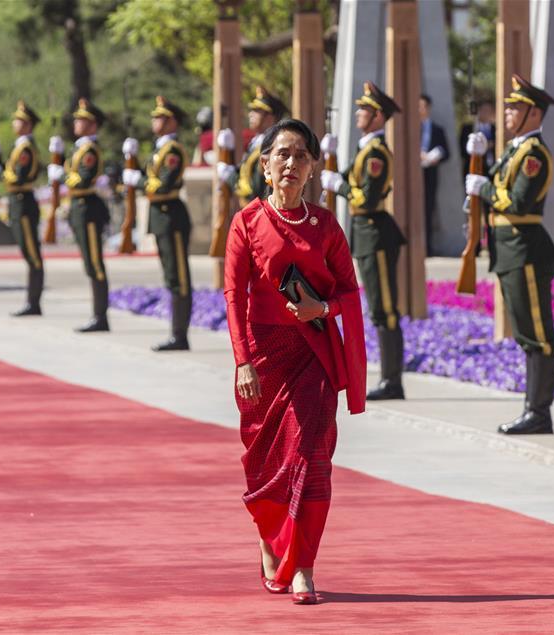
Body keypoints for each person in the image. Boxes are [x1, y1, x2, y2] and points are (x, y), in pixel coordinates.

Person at [223, 118, 366, 605]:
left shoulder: (325, 226)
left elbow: (349, 291)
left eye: (300, 155)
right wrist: (243, 362)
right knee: (266, 467)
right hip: (264, 359)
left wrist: (321, 310)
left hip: (315, 355)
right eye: (281, 154)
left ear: (312, 169)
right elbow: (233, 295)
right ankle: (269, 542)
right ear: (264, 166)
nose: (290, 163)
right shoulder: (246, 222)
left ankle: (304, 566)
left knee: (312, 456)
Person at [464, 74, 554, 435]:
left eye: (515, 107)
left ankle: (539, 411)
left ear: (533, 114)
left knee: (538, 335)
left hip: (526, 250)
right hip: (508, 250)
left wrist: (484, 186)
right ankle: (533, 408)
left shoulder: (534, 154)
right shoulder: (516, 149)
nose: (507, 111)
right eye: (507, 106)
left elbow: (518, 201)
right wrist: (481, 158)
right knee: (525, 334)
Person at [320, 81, 407, 400]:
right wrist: (328, 158)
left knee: (386, 309)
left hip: (377, 232)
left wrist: (338, 186)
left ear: (378, 116)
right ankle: (389, 378)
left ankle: (393, 380)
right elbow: (345, 177)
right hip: (366, 233)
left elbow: (366, 198)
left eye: (364, 110)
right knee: (379, 310)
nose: (358, 114)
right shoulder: (365, 149)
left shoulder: (377, 154)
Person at [122, 96, 192, 351]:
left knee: (179, 277)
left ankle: (180, 335)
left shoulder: (172, 151)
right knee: (171, 276)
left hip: (171, 214)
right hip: (161, 216)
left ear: (172, 121)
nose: (154, 120)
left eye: (160, 117)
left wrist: (137, 181)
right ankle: (176, 332)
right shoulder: (159, 149)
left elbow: (163, 184)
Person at [49, 98, 112, 332]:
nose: (76, 122)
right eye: (76, 119)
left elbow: (84, 179)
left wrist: (62, 176)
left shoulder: (90, 150)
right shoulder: (80, 148)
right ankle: (97, 315)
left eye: (82, 120)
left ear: (93, 125)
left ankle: (100, 316)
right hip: (79, 209)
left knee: (95, 263)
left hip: (88, 209)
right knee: (89, 263)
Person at [0, 101, 44, 316]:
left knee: (33, 255)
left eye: (18, 120)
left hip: (24, 203)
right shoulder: (20, 146)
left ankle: (34, 302)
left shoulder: (26, 148)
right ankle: (31, 301)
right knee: (28, 254)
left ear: (28, 125)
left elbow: (19, 176)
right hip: (17, 203)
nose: (14, 123)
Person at [217, 86, 288, 209]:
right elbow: (245, 171)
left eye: (257, 111)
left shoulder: (270, 149)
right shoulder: (257, 144)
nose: (251, 114)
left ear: (269, 118)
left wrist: (229, 176)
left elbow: (254, 190)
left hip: (262, 212)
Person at [419, 93, 450, 256]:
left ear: (429, 108)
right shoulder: (411, 128)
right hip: (414, 176)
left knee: (428, 210)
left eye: (423, 106)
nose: (420, 110)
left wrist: (435, 156)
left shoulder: (437, 129)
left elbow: (447, 152)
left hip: (430, 174)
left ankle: (428, 247)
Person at [459, 98, 496, 177]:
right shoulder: (468, 128)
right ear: (479, 111)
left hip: (492, 170)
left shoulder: (496, 130)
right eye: (484, 110)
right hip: (474, 170)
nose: (486, 113)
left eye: (489, 111)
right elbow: (462, 149)